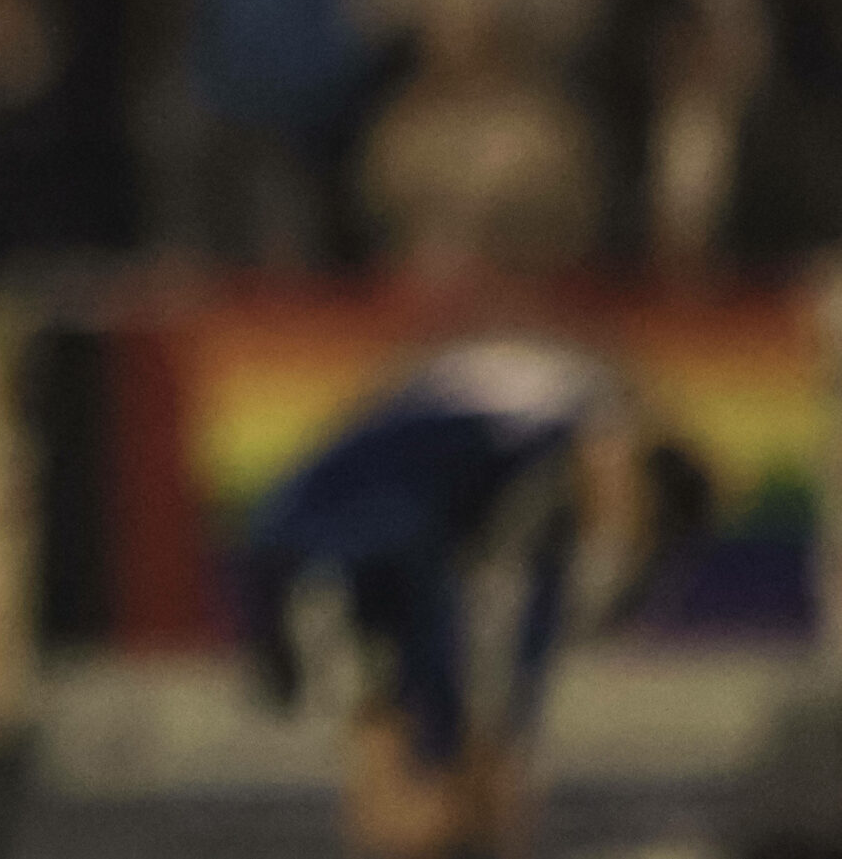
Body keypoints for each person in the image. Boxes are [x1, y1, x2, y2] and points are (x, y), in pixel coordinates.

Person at [239, 337, 712, 859]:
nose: (615, 528)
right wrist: (452, 737)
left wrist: (495, 734)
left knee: (447, 758)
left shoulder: (537, 465)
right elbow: (424, 584)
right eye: (634, 515)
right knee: (399, 755)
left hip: (345, 566)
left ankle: (444, 776)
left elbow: (520, 611)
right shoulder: (528, 452)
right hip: (324, 566)